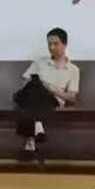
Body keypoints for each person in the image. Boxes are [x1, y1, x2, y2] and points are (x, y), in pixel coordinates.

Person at [15, 28, 80, 160]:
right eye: (49, 44)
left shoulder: (73, 69)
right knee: (35, 85)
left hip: (52, 100)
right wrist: (38, 84)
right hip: (32, 95)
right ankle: (38, 124)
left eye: (55, 44)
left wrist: (51, 89)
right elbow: (25, 84)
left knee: (37, 91)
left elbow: (72, 97)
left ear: (65, 44)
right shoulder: (39, 62)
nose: (51, 47)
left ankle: (30, 141)